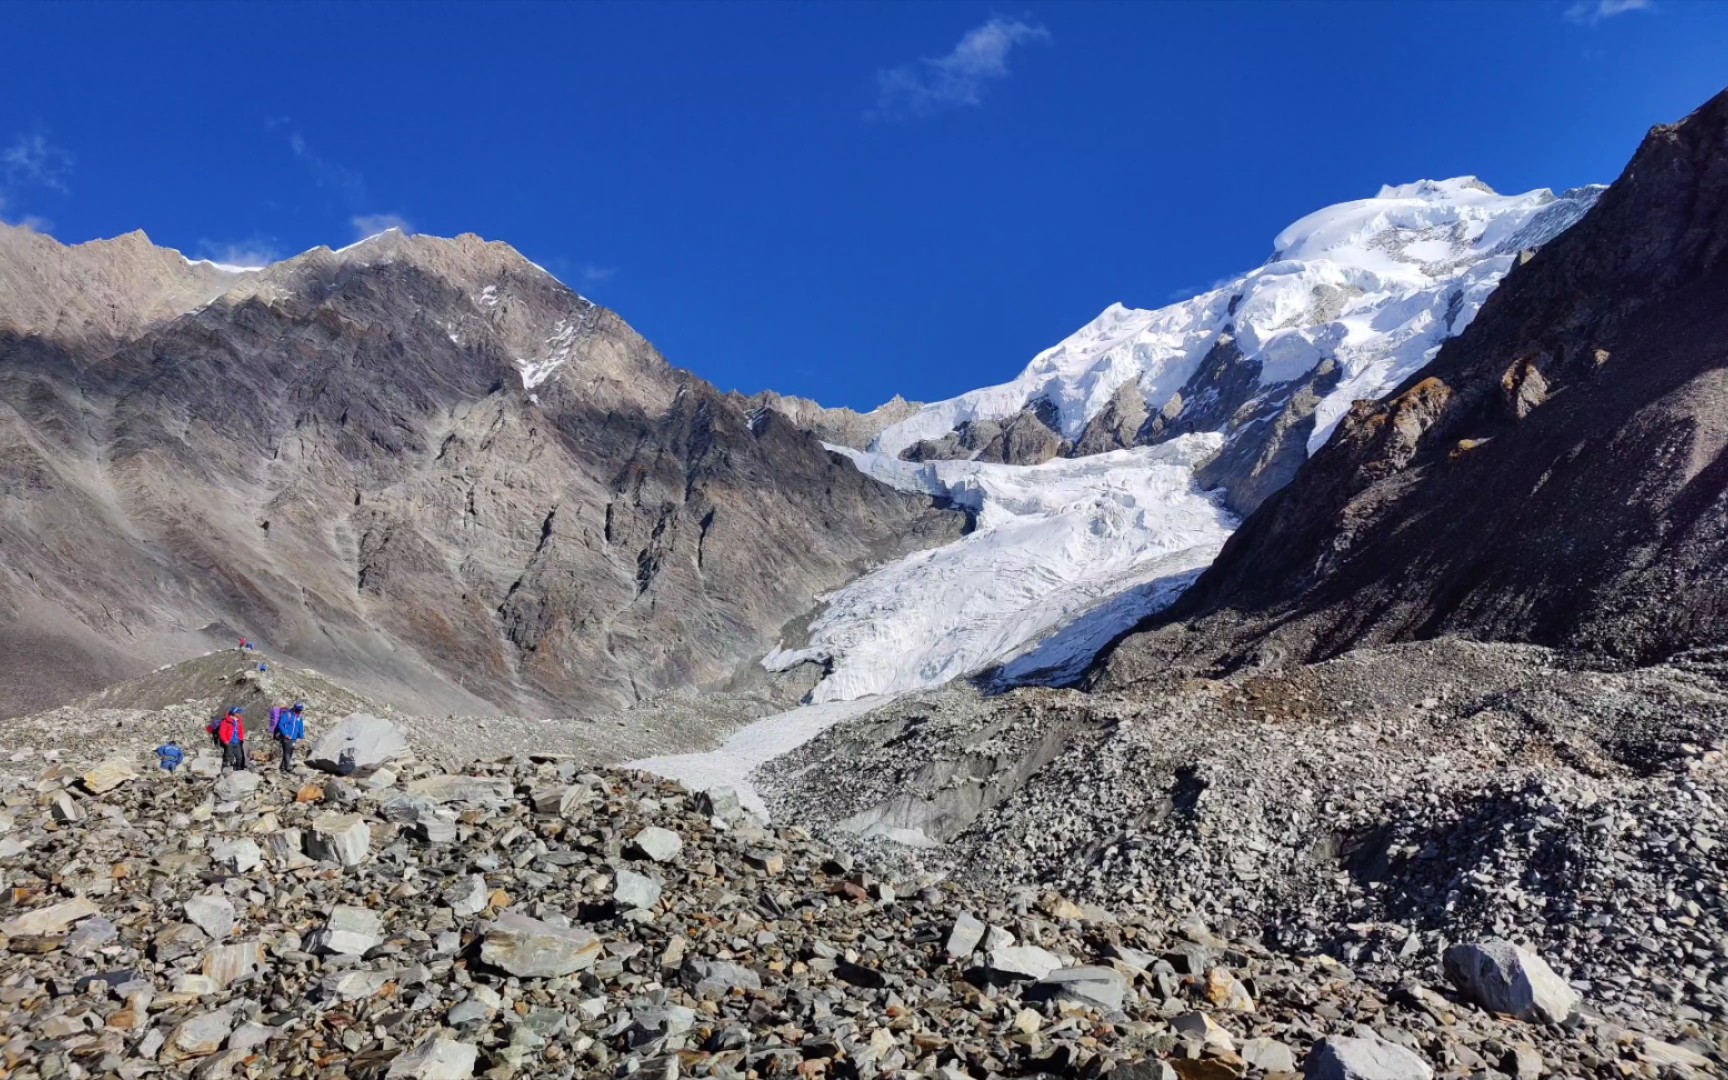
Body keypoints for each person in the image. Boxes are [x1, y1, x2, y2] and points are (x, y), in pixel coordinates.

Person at [269, 701, 307, 774]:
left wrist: (301, 737)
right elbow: (280, 724)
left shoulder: (299, 716)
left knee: (290, 753)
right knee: (287, 753)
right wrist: (285, 734)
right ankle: (287, 767)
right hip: (286, 737)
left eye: (300, 710)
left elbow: (300, 727)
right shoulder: (288, 714)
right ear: (294, 708)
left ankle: (282, 768)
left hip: (294, 737)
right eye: (298, 710)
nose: (299, 711)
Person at [216, 706, 248, 771]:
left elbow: (241, 731)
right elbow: (222, 732)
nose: (239, 714)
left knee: (239, 757)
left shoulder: (238, 721)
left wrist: (241, 739)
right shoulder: (225, 722)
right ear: (234, 713)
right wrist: (225, 741)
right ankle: (227, 770)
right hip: (229, 742)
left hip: (237, 742)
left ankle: (239, 769)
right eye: (238, 713)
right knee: (229, 757)